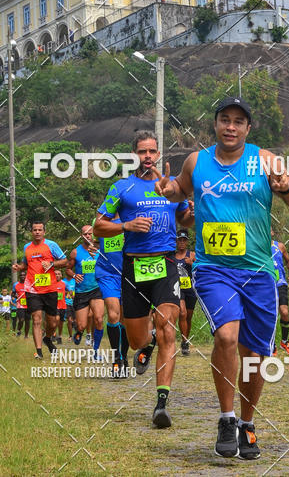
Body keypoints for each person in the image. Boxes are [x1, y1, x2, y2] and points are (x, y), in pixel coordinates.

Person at [156, 97, 289, 460]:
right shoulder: (198, 161)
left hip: (257, 270)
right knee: (226, 335)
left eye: (239, 121)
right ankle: (226, 418)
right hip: (212, 269)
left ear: (247, 128)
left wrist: (284, 187)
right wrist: (168, 192)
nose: (231, 126)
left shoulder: (266, 160)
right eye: (225, 119)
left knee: (254, 354)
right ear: (216, 124)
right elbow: (180, 190)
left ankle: (247, 423)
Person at [94, 129, 194, 428]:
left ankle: (161, 404)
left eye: (152, 151)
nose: (147, 157)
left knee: (167, 330)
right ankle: (145, 345)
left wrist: (194, 202)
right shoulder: (122, 188)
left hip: (165, 265)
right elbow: (99, 226)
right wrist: (126, 225)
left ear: (159, 154)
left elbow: (186, 218)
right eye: (142, 152)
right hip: (133, 266)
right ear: (134, 155)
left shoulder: (171, 188)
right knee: (138, 339)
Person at [12, 222, 67, 359]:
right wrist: (19, 267)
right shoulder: (27, 247)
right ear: (31, 232)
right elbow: (26, 264)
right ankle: (39, 351)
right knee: (36, 319)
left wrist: (52, 264)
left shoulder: (51, 245)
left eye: (40, 230)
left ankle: (47, 338)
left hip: (50, 288)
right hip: (32, 288)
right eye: (35, 230)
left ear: (44, 232)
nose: (37, 232)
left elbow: (65, 261)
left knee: (52, 322)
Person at [94, 213, 129, 377]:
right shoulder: (100, 222)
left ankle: (124, 355)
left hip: (129, 274)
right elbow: (95, 237)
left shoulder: (130, 217)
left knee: (126, 319)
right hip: (107, 274)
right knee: (113, 315)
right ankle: (117, 358)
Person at [66, 226, 105, 358]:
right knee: (82, 325)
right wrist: (74, 275)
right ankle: (79, 331)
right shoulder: (75, 252)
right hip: (82, 292)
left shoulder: (100, 250)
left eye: (90, 234)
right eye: (85, 234)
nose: (87, 236)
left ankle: (96, 350)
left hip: (97, 289)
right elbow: (68, 269)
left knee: (99, 319)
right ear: (81, 236)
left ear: (93, 235)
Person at [270, 228, 289, 355]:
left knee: (284, 312)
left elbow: (288, 260)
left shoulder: (279, 246)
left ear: (272, 232)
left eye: (269, 229)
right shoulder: (257, 247)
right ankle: (271, 344)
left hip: (280, 282)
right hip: (266, 284)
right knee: (271, 315)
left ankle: (285, 341)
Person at [174, 230, 196, 355]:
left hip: (190, 290)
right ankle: (184, 341)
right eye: (179, 240)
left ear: (187, 241)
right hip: (178, 289)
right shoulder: (173, 256)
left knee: (188, 317)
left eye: (184, 240)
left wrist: (191, 264)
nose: (182, 242)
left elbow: (201, 269)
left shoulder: (192, 254)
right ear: (176, 242)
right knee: (182, 313)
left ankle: (185, 341)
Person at [14, 273, 30, 338]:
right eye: (21, 275)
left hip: (28, 305)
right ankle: (19, 330)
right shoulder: (16, 285)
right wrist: (15, 296)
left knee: (27, 321)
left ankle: (26, 335)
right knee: (21, 320)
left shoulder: (29, 284)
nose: (23, 276)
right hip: (20, 306)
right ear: (19, 276)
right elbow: (13, 293)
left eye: (24, 275)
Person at [54, 270, 67, 344]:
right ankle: (53, 334)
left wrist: (70, 294)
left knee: (61, 323)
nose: (57, 275)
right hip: (54, 306)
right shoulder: (51, 283)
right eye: (55, 274)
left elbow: (69, 291)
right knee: (56, 319)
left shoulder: (64, 284)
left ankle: (60, 336)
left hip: (63, 305)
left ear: (61, 275)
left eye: (59, 274)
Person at [63, 274, 76, 339]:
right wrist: (67, 292)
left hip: (75, 302)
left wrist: (73, 295)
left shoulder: (75, 281)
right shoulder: (63, 281)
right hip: (66, 303)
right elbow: (60, 290)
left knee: (76, 321)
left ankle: (77, 334)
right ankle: (70, 336)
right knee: (69, 320)